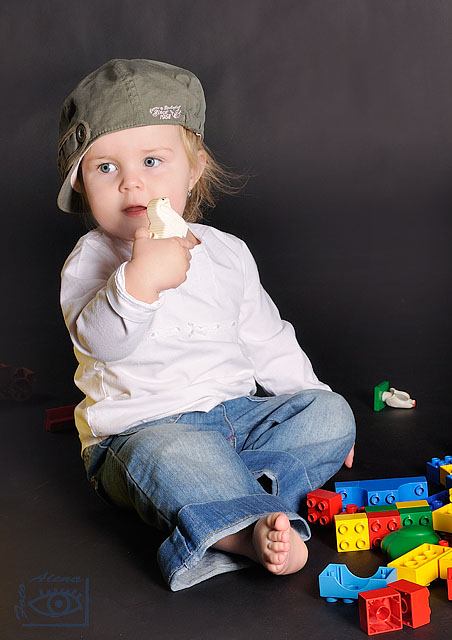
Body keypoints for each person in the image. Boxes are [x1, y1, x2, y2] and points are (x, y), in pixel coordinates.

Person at [58, 59, 356, 591]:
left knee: (331, 416)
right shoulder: (92, 259)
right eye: (105, 168)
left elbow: (267, 339)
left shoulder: (227, 252)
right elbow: (99, 343)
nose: (132, 182)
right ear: (82, 183)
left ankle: (233, 499)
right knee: (170, 457)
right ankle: (245, 534)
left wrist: (310, 393)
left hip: (237, 419)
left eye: (153, 161)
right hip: (142, 430)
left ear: (193, 170)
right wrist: (138, 282)